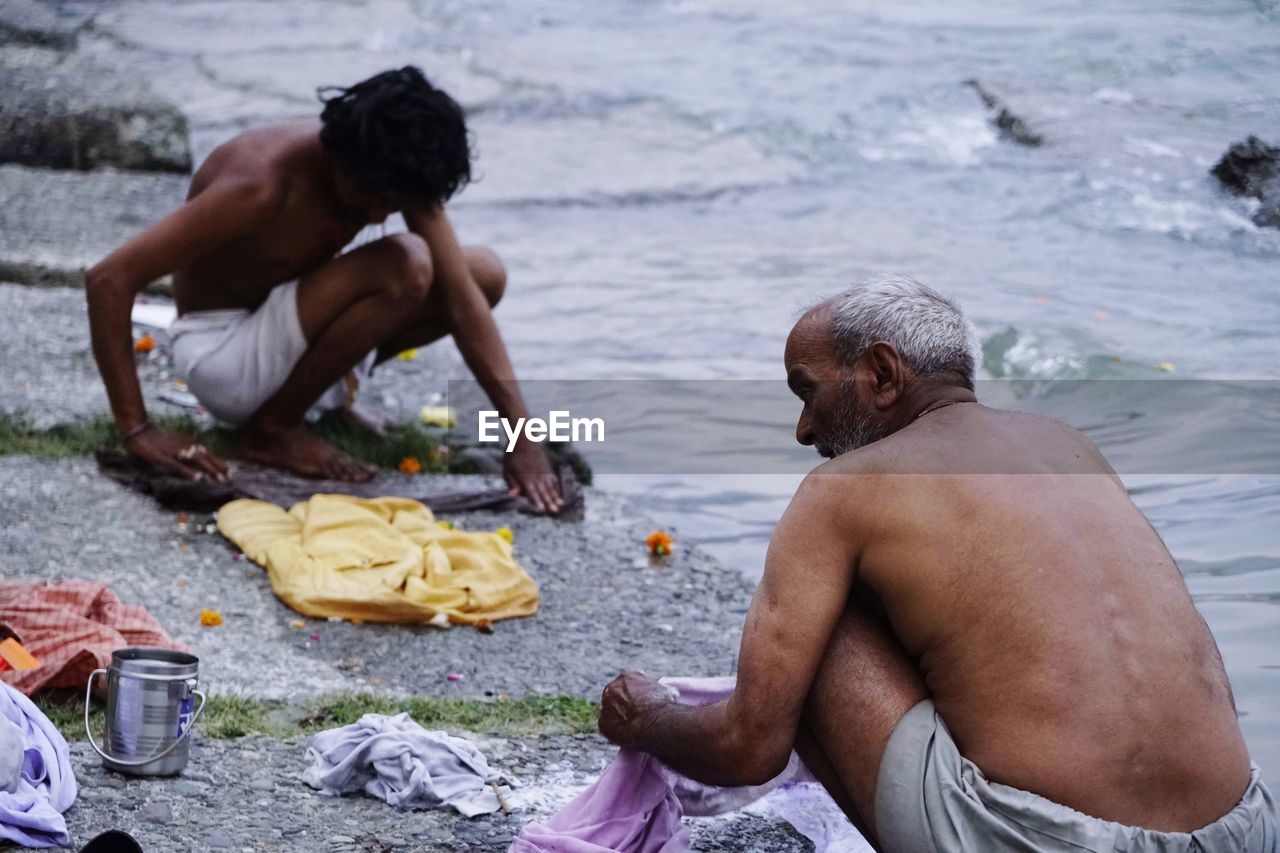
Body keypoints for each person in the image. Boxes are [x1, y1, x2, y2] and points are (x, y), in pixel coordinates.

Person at [599, 274, 1276, 851]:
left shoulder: (843, 491)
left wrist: (649, 714)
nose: (804, 429)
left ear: (884, 374)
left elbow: (749, 746)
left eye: (806, 392)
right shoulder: (1069, 445)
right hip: (1243, 827)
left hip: (1045, 839)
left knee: (821, 627)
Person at [86, 66, 563, 512]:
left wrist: (521, 435)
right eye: (370, 203)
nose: (378, 216)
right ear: (343, 159)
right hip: (225, 356)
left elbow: (464, 300)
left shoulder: (389, 167)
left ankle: (324, 401)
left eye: (392, 205)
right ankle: (272, 430)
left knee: (483, 273)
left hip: (289, 335)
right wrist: (138, 429)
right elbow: (110, 279)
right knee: (406, 261)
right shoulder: (262, 183)